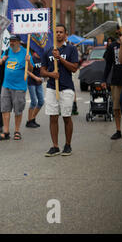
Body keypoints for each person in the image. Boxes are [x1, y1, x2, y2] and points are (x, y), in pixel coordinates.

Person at [40, 24, 79, 157]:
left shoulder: (71, 49)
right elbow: (42, 71)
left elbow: (74, 68)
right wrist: (51, 74)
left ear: (65, 34)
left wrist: (60, 59)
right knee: (53, 117)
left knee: (67, 117)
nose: (58, 34)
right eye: (56, 32)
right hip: (52, 87)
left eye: (61, 32)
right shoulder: (48, 50)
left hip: (66, 87)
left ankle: (67, 145)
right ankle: (55, 146)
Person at [0, 35, 34, 141]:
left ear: (18, 42)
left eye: (13, 41)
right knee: (5, 109)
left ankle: (17, 131)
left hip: (19, 87)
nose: (11, 43)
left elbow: (31, 69)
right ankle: (6, 132)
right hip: (6, 85)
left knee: (18, 110)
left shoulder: (25, 52)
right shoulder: (8, 51)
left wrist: (28, 61)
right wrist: (2, 59)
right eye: (10, 41)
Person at [101, 25, 122, 140]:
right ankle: (118, 130)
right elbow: (108, 65)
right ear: (117, 31)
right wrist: (104, 79)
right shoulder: (112, 46)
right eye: (120, 29)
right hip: (116, 80)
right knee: (116, 108)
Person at [26, 49, 44, 128]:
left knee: (41, 101)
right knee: (34, 101)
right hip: (31, 82)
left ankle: (32, 118)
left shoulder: (42, 58)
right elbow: (27, 70)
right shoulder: (32, 58)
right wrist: (35, 77)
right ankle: (30, 121)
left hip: (39, 82)